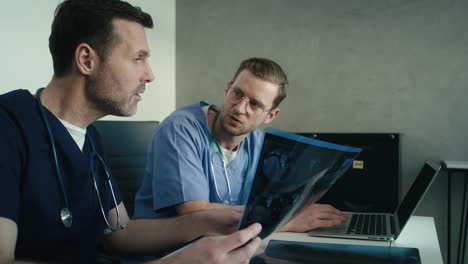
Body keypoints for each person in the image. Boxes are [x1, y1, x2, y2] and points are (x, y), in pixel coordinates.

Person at [0, 0, 262, 263]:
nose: (149, 75)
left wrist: (206, 223)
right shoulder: (8, 124)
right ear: (86, 60)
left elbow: (119, 233)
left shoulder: (90, 138)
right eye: (138, 58)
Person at [134, 57, 347, 233]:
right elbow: (194, 211)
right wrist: (286, 223)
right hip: (172, 252)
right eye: (238, 94)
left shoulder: (258, 144)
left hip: (227, 246)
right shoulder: (181, 129)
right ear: (228, 89)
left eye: (255, 104)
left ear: (270, 115)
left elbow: (269, 202)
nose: (240, 108)